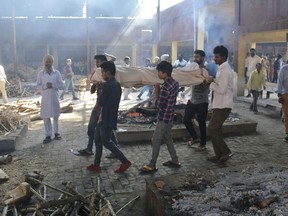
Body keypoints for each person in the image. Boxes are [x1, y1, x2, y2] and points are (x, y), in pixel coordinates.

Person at [87, 61, 131, 173]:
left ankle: (125, 161)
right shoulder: (117, 84)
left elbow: (101, 102)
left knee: (106, 142)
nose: (102, 75)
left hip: (105, 118)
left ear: (108, 72)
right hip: (107, 117)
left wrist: (100, 91)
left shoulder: (107, 85)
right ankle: (96, 165)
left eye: (102, 72)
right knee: (97, 140)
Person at [142, 61, 180, 172]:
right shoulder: (175, 83)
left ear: (164, 73)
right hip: (170, 116)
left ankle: (152, 164)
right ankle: (175, 160)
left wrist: (157, 89)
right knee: (167, 137)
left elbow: (158, 105)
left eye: (159, 72)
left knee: (155, 139)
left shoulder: (165, 87)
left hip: (164, 117)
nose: (158, 74)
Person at [79, 55, 118, 156]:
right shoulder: (98, 74)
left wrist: (101, 83)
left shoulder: (109, 79)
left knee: (104, 129)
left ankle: (115, 151)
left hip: (103, 107)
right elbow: (92, 91)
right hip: (98, 105)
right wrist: (95, 82)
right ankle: (89, 148)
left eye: (98, 62)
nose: (96, 64)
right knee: (93, 128)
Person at [206, 45, 233, 163]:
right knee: (217, 130)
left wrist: (210, 84)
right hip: (219, 104)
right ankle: (219, 154)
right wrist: (214, 80)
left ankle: (226, 151)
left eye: (217, 57)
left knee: (211, 129)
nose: (214, 59)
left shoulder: (225, 71)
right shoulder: (222, 69)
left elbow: (222, 90)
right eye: (214, 56)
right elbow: (222, 84)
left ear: (223, 57)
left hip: (224, 105)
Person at [184, 50, 210, 151]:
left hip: (202, 101)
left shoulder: (205, 71)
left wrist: (202, 81)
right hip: (193, 100)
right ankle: (195, 137)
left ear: (202, 58)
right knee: (186, 119)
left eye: (197, 57)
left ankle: (203, 143)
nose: (195, 59)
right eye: (194, 57)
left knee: (202, 123)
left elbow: (207, 88)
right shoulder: (192, 70)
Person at [36, 55, 64, 144]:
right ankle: (48, 135)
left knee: (56, 116)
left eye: (50, 61)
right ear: (44, 62)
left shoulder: (57, 73)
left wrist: (53, 85)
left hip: (55, 98)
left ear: (52, 62)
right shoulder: (41, 74)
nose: (48, 63)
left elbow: (62, 86)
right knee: (46, 117)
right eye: (46, 62)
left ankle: (56, 133)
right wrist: (45, 86)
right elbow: (37, 87)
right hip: (45, 99)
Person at [277, 63, 288, 142]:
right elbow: (280, 82)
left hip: (285, 94)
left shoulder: (284, 69)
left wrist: (279, 93)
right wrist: (279, 94)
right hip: (285, 95)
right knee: (287, 115)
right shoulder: (284, 69)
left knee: (287, 116)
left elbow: (280, 82)